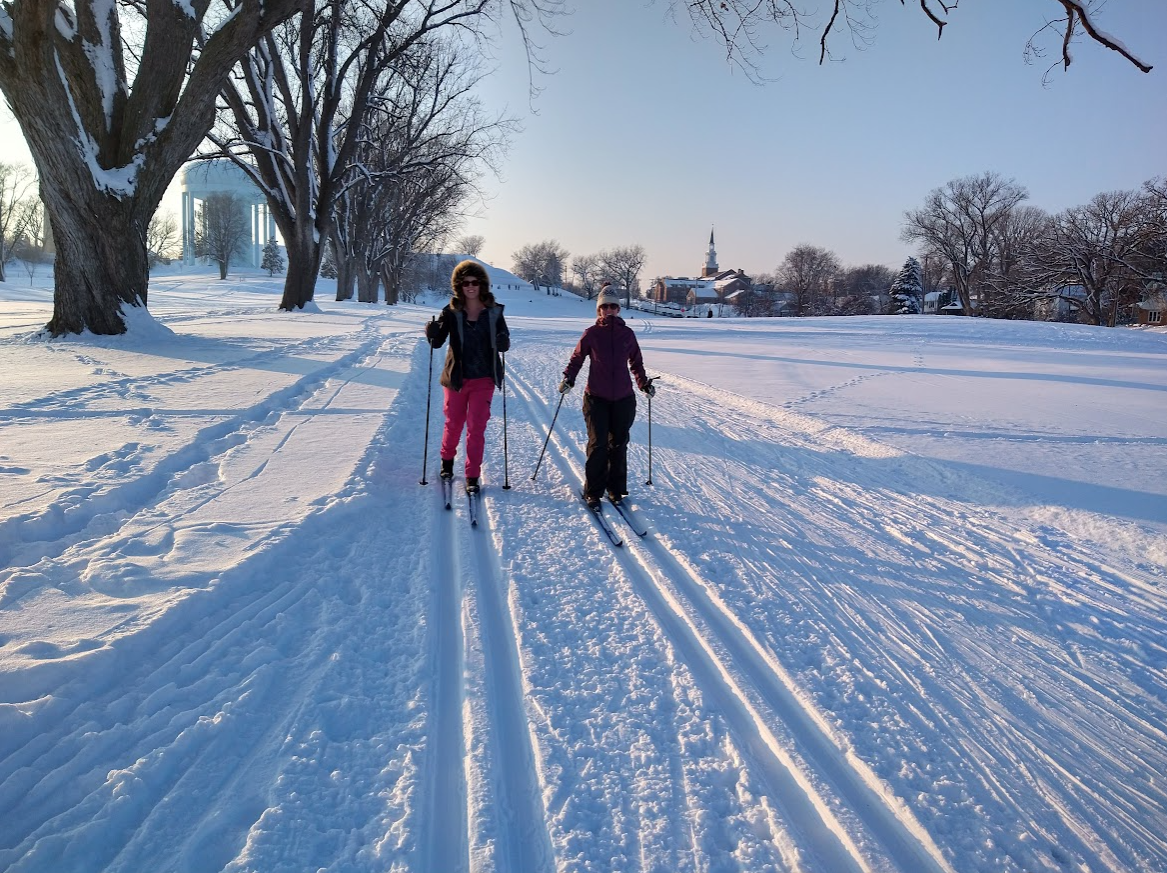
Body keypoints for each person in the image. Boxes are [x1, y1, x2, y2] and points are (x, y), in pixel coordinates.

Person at [560, 283, 655, 510]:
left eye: (613, 306)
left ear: (618, 309)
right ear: (599, 310)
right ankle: (593, 491)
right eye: (605, 306)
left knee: (619, 444)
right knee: (598, 444)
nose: (609, 310)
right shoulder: (591, 334)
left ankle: (615, 489)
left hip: (623, 398)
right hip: (596, 397)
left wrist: (643, 384)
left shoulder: (627, 334)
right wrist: (568, 378)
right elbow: (577, 359)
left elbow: (636, 363)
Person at [425, 260, 510, 493]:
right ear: (459, 286)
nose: (470, 287)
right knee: (453, 424)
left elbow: (504, 339)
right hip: (456, 378)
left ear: (482, 284)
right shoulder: (451, 312)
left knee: (476, 428)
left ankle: (473, 475)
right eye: (465, 283)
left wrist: (503, 342)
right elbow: (438, 341)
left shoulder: (494, 312)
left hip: (484, 378)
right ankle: (447, 463)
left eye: (475, 282)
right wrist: (430, 332)